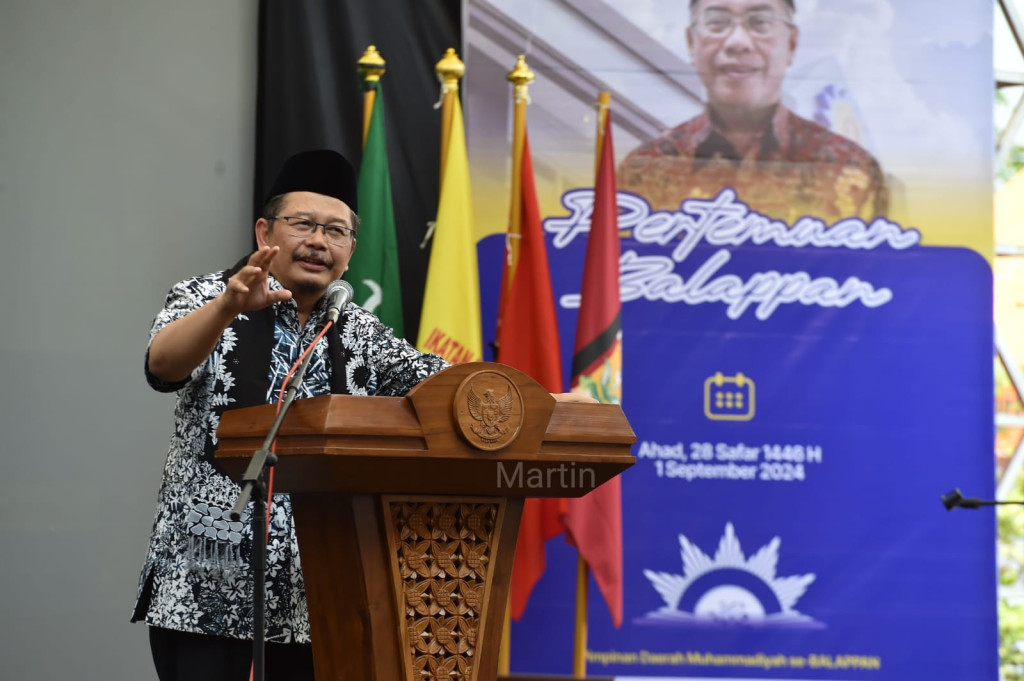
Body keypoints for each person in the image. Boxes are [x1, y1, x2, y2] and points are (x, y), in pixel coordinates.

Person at [131, 150, 449, 681]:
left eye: (336, 231)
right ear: (265, 232)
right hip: (203, 590)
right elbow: (162, 366)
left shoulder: (358, 330)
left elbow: (441, 384)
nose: (318, 241)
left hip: (313, 600)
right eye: (302, 224)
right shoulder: (207, 296)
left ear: (350, 249)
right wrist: (228, 307)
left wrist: (548, 400)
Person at [618, 0, 888, 224]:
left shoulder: (850, 168)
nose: (738, 42)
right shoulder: (646, 169)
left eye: (760, 23)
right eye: (717, 23)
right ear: (691, 43)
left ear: (791, 44)